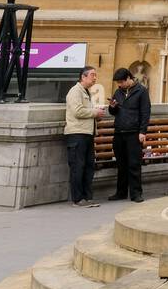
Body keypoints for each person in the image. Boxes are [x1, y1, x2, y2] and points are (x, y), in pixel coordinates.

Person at [107, 67, 151, 203]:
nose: (119, 85)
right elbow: (113, 113)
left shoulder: (141, 91)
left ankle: (136, 193)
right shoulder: (118, 92)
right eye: (117, 83)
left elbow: (145, 112)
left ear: (128, 78)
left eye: (121, 82)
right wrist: (112, 106)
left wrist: (142, 132)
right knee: (121, 164)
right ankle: (121, 192)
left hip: (133, 133)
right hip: (119, 132)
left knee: (134, 164)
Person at [64, 66, 104, 207]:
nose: (95, 77)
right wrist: (95, 112)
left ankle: (87, 197)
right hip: (76, 134)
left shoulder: (86, 92)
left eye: (95, 75)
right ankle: (77, 199)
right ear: (83, 77)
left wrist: (97, 115)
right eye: (92, 75)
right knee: (77, 167)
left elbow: (85, 112)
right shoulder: (75, 91)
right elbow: (78, 111)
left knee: (88, 166)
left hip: (87, 134)